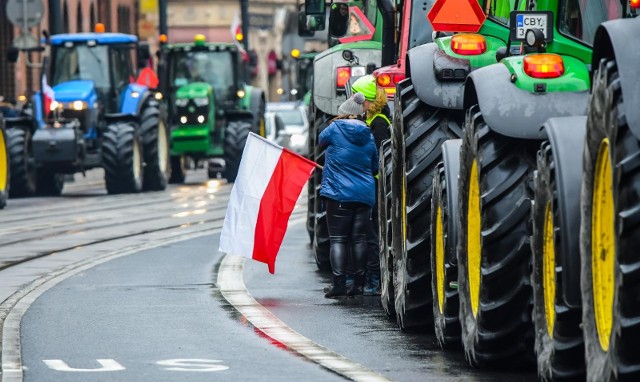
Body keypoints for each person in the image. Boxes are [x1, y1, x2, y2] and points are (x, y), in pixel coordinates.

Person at [319, 93, 379, 298]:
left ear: (344, 113)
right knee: (359, 239)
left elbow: (320, 140)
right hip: (364, 195)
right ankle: (359, 285)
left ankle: (339, 285)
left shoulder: (334, 129)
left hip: (338, 194)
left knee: (338, 240)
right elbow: (374, 166)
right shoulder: (369, 134)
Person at [351, 75, 392, 296]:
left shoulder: (378, 124)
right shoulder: (373, 119)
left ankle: (374, 281)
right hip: (369, 185)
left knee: (372, 234)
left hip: (374, 188)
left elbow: (377, 159)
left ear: (366, 99)